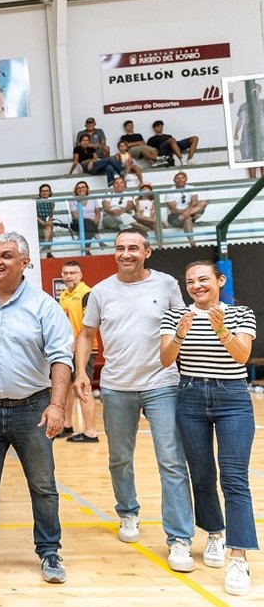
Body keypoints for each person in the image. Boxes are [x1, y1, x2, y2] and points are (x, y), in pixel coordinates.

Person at [73, 229, 195, 572]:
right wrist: (81, 371)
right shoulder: (100, 292)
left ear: (147, 252)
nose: (125, 254)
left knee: (171, 461)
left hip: (162, 383)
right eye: (120, 248)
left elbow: (185, 326)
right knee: (119, 459)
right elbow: (86, 335)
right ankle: (128, 513)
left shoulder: (167, 285)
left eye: (133, 248)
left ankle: (180, 539)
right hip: (116, 387)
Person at [0, 232, 73, 584]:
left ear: (25, 263)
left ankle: (50, 552)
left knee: (42, 485)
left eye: (6, 256)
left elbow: (61, 358)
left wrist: (56, 405)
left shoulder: (43, 306)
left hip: (32, 409)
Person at [159, 261, 257, 595]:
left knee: (234, 478)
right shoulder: (175, 316)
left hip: (232, 398)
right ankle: (214, 535)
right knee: (201, 476)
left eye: (204, 279)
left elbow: (242, 356)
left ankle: (239, 557)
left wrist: (223, 331)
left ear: (220, 280)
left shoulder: (242, 313)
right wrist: (180, 335)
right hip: (190, 397)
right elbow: (165, 359)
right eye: (190, 282)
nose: (197, 286)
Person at [58, 261, 99, 443]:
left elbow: (89, 325)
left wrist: (76, 343)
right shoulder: (64, 295)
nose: (69, 276)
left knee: (83, 388)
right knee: (66, 388)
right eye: (66, 273)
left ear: (80, 275)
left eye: (73, 273)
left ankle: (91, 432)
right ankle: (67, 426)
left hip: (85, 349)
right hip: (67, 350)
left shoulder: (87, 294)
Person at [166, 171, 208, 247]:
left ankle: (187, 215)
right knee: (187, 218)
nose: (180, 180)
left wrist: (185, 213)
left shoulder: (191, 188)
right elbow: (173, 209)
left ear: (186, 179)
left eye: (182, 178)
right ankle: (192, 243)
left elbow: (194, 202)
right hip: (175, 217)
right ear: (174, 180)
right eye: (178, 178)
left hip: (187, 214)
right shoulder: (169, 191)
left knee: (203, 203)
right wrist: (185, 212)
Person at [68, 181, 100, 253]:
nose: (81, 189)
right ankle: (98, 239)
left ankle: (86, 251)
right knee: (87, 223)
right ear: (76, 190)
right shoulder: (73, 200)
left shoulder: (92, 198)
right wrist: (89, 220)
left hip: (92, 223)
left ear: (87, 189)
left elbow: (98, 212)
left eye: (83, 187)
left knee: (88, 226)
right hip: (78, 223)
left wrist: (97, 219)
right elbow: (75, 216)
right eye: (78, 188)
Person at [36, 183, 56, 258]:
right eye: (43, 191)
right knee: (49, 226)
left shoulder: (52, 202)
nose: (45, 192)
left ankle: (45, 247)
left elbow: (51, 215)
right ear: (40, 193)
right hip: (37, 222)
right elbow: (34, 215)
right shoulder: (35, 202)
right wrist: (42, 222)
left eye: (47, 191)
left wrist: (48, 221)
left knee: (50, 225)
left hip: (46, 222)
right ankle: (48, 251)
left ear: (50, 192)